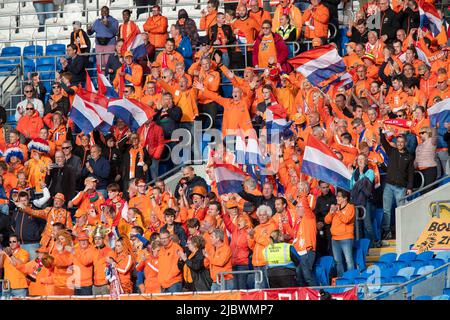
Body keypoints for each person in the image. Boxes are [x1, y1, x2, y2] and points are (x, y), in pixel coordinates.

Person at [379, 129, 414, 240]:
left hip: (401, 187)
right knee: (386, 210)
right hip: (388, 186)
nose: (399, 143)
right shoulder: (392, 151)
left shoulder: (409, 156)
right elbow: (384, 142)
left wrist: (409, 187)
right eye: (398, 141)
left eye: (401, 142)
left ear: (405, 143)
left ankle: (402, 231)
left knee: (401, 210)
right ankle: (387, 231)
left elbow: (411, 173)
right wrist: (381, 131)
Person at [325, 190, 355, 277]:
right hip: (335, 239)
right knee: (338, 261)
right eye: (336, 196)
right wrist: (331, 212)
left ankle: (351, 280)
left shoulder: (351, 207)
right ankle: (341, 280)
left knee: (348, 260)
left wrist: (338, 211)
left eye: (339, 196)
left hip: (346, 238)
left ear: (345, 198)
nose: (337, 198)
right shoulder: (335, 207)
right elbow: (327, 221)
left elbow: (346, 220)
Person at [247, 205, 277, 289]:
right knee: (258, 289)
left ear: (268, 215)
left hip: (266, 263)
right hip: (256, 263)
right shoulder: (256, 228)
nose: (262, 217)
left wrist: (255, 236)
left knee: (268, 289)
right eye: (260, 215)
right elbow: (252, 246)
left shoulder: (272, 226)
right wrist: (251, 237)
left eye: (264, 215)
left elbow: (269, 243)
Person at [158, 229, 184, 293]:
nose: (163, 240)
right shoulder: (161, 250)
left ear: (169, 238)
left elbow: (178, 266)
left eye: (165, 238)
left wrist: (168, 278)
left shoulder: (177, 248)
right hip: (163, 284)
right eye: (161, 238)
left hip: (174, 283)